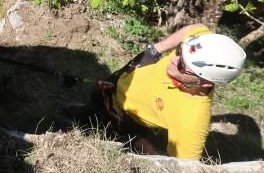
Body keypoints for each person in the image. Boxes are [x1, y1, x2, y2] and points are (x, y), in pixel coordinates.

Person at [59, 24, 246, 160]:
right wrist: (154, 52)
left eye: (181, 64)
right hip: (122, 82)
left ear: (204, 82)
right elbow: (196, 28)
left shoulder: (192, 120)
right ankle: (83, 112)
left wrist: (139, 140)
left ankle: (82, 134)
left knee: (110, 131)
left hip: (127, 120)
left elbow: (181, 169)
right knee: (97, 96)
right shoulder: (198, 52)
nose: (173, 60)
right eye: (180, 51)